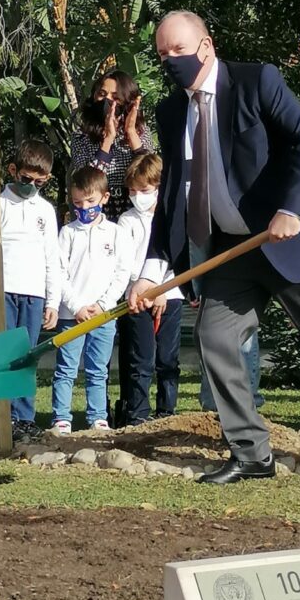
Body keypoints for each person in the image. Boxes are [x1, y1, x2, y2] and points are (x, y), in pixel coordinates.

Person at [129, 11, 300, 485]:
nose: (169, 61)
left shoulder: (257, 82)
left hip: (294, 239)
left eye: (177, 50)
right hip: (234, 252)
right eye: (162, 54)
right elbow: (174, 193)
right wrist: (152, 268)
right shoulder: (173, 111)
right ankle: (252, 453)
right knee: (215, 338)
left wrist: (293, 209)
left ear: (206, 45)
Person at [47, 166, 132, 433]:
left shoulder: (116, 233)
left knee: (98, 370)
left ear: (105, 198)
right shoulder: (68, 233)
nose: (85, 208)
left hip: (103, 316)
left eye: (91, 201)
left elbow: (122, 272)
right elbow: (60, 273)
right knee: (66, 369)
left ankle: (98, 417)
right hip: (71, 316)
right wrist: (76, 306)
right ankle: (61, 417)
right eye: (78, 203)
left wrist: (104, 305)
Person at [0, 139, 61, 443]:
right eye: (26, 179)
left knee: (28, 357)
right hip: (4, 290)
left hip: (34, 293)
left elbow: (52, 256)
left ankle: (24, 418)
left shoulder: (45, 211)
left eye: (40, 181)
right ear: (13, 171)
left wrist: (53, 300)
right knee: (8, 356)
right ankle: (5, 416)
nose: (32, 186)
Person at [115, 153, 183, 427]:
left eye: (144, 190)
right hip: (137, 299)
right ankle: (137, 416)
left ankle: (167, 413)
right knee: (140, 361)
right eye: (132, 191)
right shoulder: (127, 221)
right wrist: (145, 290)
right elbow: (127, 262)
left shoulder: (175, 216)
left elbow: (180, 257)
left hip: (171, 296)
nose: (137, 196)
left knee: (168, 359)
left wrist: (164, 289)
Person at [70, 69, 153, 220]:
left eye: (115, 97)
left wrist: (131, 132)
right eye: (102, 94)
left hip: (135, 207)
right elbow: (87, 182)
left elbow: (150, 173)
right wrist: (108, 140)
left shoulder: (141, 132)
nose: (107, 101)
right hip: (98, 208)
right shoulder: (81, 136)